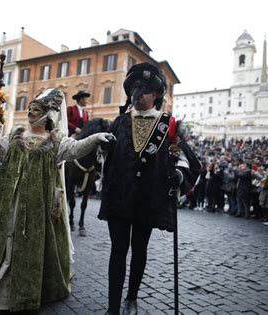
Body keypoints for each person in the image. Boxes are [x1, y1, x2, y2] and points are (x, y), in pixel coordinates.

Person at [0, 89, 114, 312]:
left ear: (47, 115)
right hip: (10, 203)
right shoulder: (15, 135)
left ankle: (29, 289)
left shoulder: (55, 142)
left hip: (37, 208)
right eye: (30, 109)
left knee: (33, 245)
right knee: (6, 240)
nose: (31, 113)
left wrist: (94, 138)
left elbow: (74, 149)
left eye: (36, 110)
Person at [97, 63, 200, 315]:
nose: (137, 93)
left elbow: (187, 160)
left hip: (147, 198)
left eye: (143, 89)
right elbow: (105, 158)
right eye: (134, 88)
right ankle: (113, 307)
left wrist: (178, 174)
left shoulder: (168, 125)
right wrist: (103, 148)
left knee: (139, 249)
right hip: (120, 196)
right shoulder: (120, 122)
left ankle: (132, 298)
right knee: (118, 250)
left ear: (156, 94)